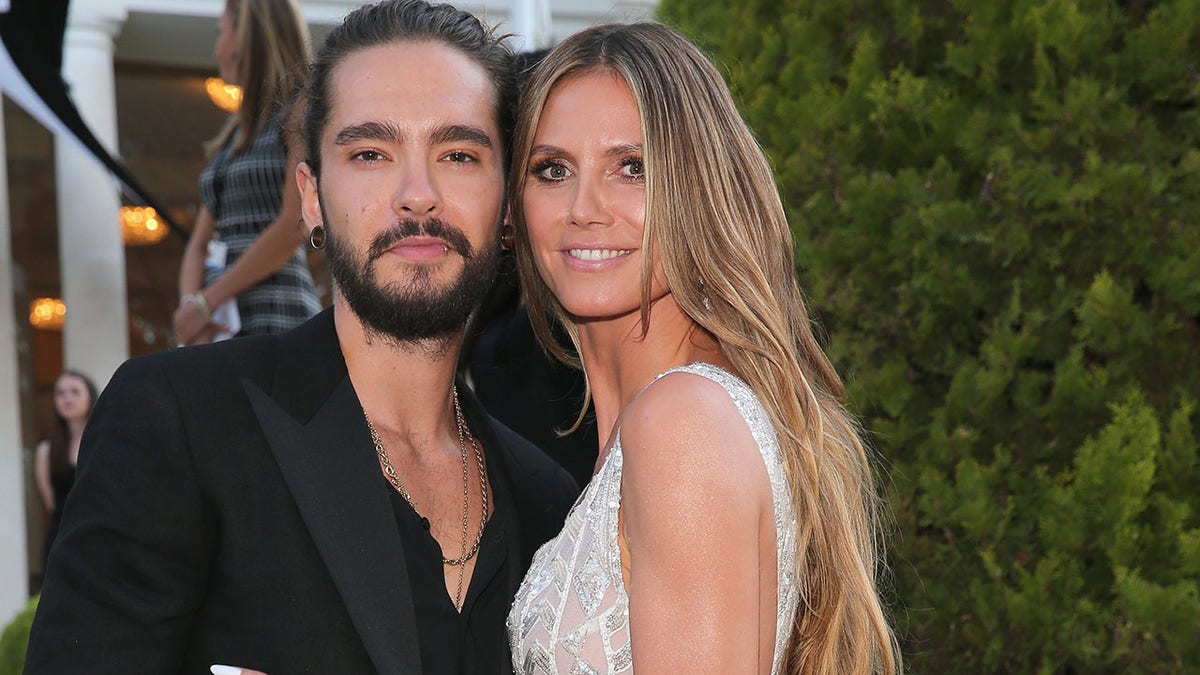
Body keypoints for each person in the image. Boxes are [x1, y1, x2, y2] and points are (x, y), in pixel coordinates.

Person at [25, 1, 578, 672]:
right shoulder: (179, 422)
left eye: (459, 153)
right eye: (371, 153)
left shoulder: (546, 497)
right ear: (311, 197)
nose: (418, 193)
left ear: (507, 203)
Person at [506, 23, 902, 674]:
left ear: (699, 189)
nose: (584, 207)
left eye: (631, 167)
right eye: (552, 170)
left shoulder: (680, 421)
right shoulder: (673, 418)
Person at [174, 0, 321, 345]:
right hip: (223, 318)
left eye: (220, 33)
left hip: (277, 309)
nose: (216, 47)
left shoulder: (298, 111)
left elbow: (293, 225)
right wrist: (192, 308)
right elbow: (199, 243)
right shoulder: (234, 134)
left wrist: (207, 302)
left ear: (243, 38)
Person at [32, 370, 97, 574]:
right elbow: (51, 502)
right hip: (61, 538)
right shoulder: (46, 451)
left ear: (90, 397)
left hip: (99, 537)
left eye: (75, 391)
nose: (67, 398)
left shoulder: (102, 443)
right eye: (60, 393)